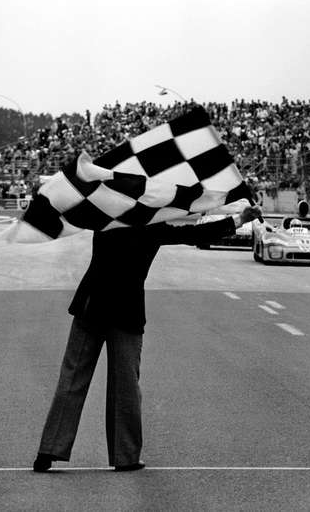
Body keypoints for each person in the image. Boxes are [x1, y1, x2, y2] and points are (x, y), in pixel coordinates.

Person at [33, 203, 263, 473]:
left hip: (91, 304)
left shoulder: (107, 214)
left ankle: (48, 451)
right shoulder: (152, 227)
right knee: (126, 386)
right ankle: (126, 456)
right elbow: (193, 235)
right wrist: (239, 219)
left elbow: (76, 210)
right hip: (126, 310)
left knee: (71, 379)